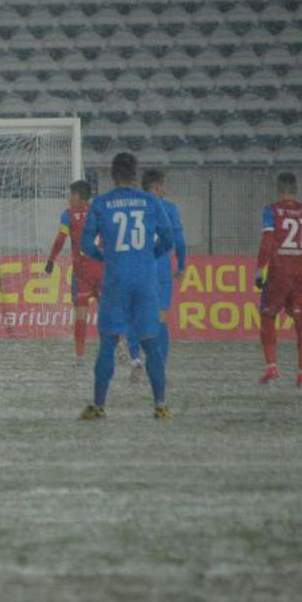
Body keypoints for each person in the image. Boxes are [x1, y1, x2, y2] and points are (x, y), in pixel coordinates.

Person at [79, 153, 173, 421]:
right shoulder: (150, 201)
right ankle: (160, 406)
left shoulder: (100, 204)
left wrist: (106, 257)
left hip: (116, 279)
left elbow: (87, 246)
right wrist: (147, 255)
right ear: (134, 175)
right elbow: (168, 240)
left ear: (112, 174)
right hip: (145, 280)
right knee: (151, 342)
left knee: (108, 341)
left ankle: (98, 406)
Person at [255, 173, 302, 388]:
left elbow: (267, 241)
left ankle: (272, 368)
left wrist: (260, 269)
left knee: (268, 316)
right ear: (296, 189)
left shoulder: (271, 210)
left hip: (279, 271)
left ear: (278, 188)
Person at [126, 169, 187, 385]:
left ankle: (136, 364)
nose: (164, 189)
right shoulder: (169, 208)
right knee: (161, 319)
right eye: (163, 185)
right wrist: (181, 264)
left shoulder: (134, 207)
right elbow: (178, 239)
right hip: (160, 268)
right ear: (157, 187)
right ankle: (159, 366)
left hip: (137, 267)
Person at [45, 179, 103, 364]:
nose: (69, 198)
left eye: (71, 194)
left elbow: (60, 239)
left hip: (82, 272)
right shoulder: (99, 211)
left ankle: (80, 356)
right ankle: (121, 349)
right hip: (104, 269)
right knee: (109, 312)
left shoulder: (68, 215)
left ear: (77, 195)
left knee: (81, 314)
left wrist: (51, 260)